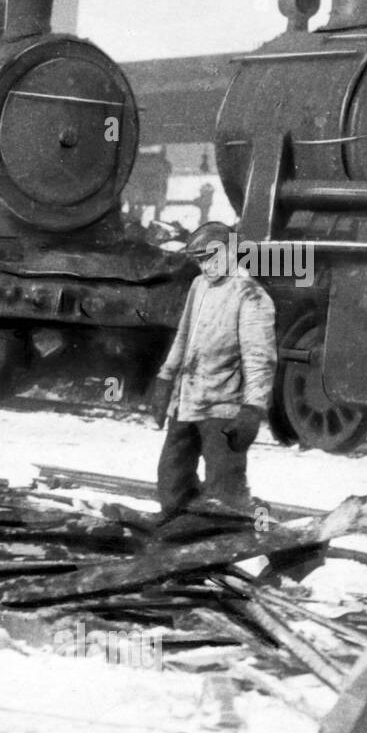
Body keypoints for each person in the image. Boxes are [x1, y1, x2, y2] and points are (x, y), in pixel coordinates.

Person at [150, 221, 277, 524]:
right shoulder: (199, 286)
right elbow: (184, 336)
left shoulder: (251, 295)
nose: (206, 266)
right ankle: (178, 533)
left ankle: (241, 534)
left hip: (223, 409)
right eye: (200, 260)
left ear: (231, 251)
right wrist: (165, 379)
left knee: (225, 493)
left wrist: (252, 409)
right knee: (172, 484)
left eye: (211, 257)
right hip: (187, 402)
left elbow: (260, 360)